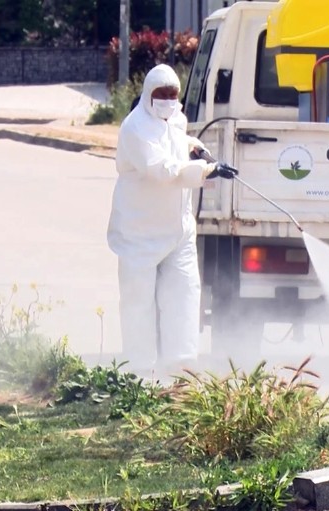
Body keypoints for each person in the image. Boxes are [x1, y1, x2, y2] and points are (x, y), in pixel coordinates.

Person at [107, 64, 237, 376]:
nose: (167, 100)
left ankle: (181, 369)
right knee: (139, 304)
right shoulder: (135, 128)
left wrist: (198, 150)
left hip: (179, 231)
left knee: (185, 296)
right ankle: (138, 372)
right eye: (161, 95)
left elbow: (178, 140)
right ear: (148, 95)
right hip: (140, 233)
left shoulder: (175, 120)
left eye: (172, 95)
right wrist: (207, 170)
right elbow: (162, 170)